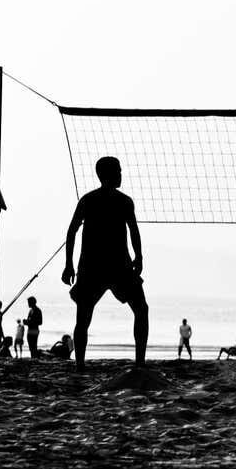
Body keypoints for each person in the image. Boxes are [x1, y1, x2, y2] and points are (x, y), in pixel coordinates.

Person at [61, 156, 148, 371]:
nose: (121, 175)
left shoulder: (90, 200)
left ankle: (81, 364)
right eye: (118, 171)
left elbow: (72, 232)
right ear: (108, 175)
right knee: (138, 310)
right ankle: (139, 363)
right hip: (113, 266)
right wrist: (139, 257)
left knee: (85, 317)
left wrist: (69, 264)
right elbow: (133, 231)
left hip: (98, 266)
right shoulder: (120, 201)